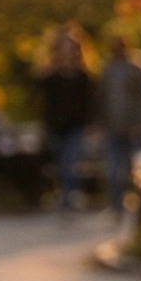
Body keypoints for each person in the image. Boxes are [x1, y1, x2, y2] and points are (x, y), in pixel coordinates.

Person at [34, 27, 96, 213]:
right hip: (55, 127)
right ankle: (67, 196)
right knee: (60, 164)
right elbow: (43, 103)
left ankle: (71, 197)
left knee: (70, 162)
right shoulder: (50, 77)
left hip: (76, 127)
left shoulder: (84, 77)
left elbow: (90, 104)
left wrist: (92, 127)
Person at [99, 33, 141, 213]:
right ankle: (116, 206)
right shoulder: (108, 69)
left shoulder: (137, 68)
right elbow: (101, 98)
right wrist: (101, 122)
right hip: (113, 127)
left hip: (135, 128)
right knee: (114, 169)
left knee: (138, 169)